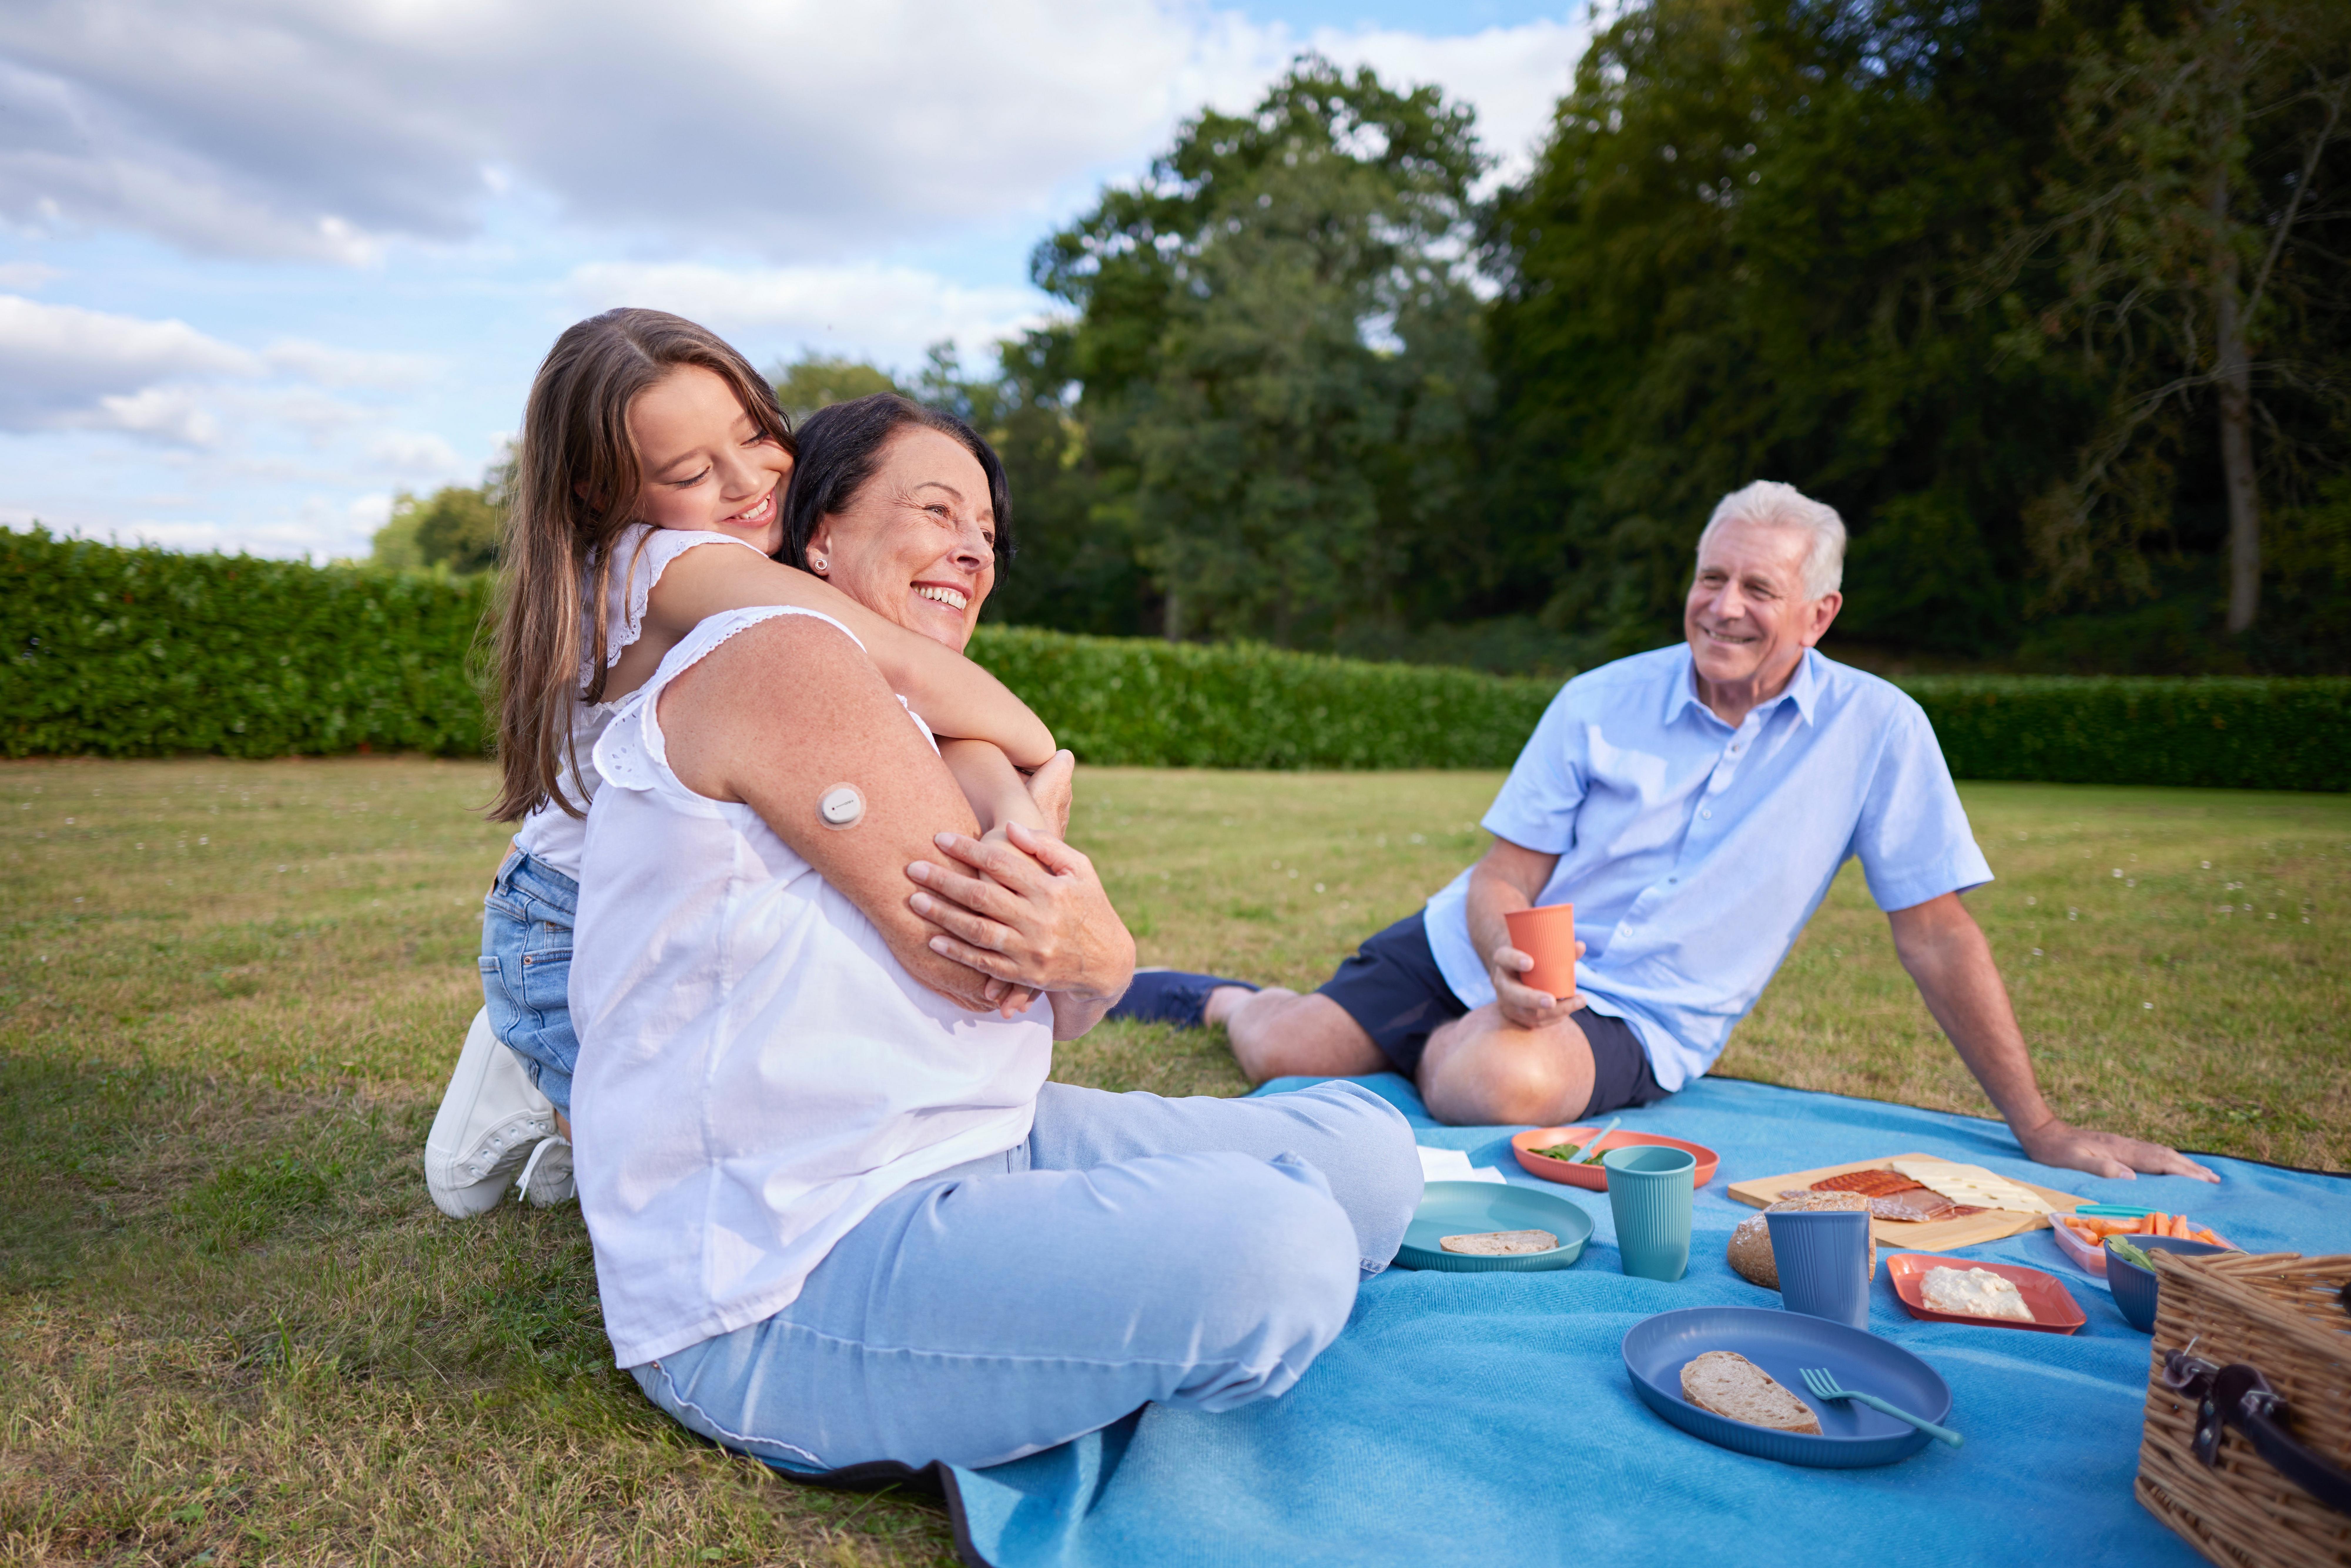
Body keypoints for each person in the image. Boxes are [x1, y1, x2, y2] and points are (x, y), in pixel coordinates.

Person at [568, 387, 1420, 1471]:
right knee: (1280, 1250)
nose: (971, 550)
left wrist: (1071, 928)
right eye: (936, 512)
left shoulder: (924, 716)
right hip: (783, 1263)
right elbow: (1000, 978)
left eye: (986, 532)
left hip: (964, 1138)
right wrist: (1086, 937)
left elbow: (1058, 996)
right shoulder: (774, 657)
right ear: (818, 536)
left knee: (1372, 1156)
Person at [1121, 481, 2216, 1183]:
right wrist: (1506, 964)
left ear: (1819, 614)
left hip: (1637, 1016)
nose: (1725, 607)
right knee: (1280, 1054)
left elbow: (1937, 934)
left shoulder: (1880, 731)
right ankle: (1213, 993)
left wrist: (2040, 1127)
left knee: (1498, 1088)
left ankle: (1443, 1058)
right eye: (1710, 577)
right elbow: (1507, 876)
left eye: (1759, 588)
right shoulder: (1601, 698)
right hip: (1483, 946)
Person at [424, 309, 1061, 1217]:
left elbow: (915, 707)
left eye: (758, 434)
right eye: (689, 472)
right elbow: (909, 665)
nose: (748, 480)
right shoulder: (672, 562)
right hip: (567, 928)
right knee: (666, 1185)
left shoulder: (682, 553)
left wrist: (1002, 788)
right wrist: (1041, 750)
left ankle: (567, 1104)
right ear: (602, 492)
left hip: (620, 904)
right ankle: (517, 1091)